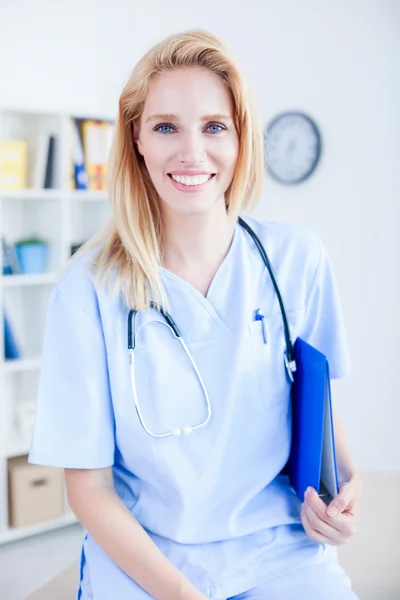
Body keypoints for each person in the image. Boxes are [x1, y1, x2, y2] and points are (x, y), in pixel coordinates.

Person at [28, 29, 362, 600]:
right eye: (165, 127)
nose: (192, 152)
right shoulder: (86, 291)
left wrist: (348, 491)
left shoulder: (296, 260)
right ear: (136, 139)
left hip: (276, 547)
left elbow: (318, 410)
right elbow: (87, 488)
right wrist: (183, 594)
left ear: (241, 138)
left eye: (214, 127)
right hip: (143, 558)